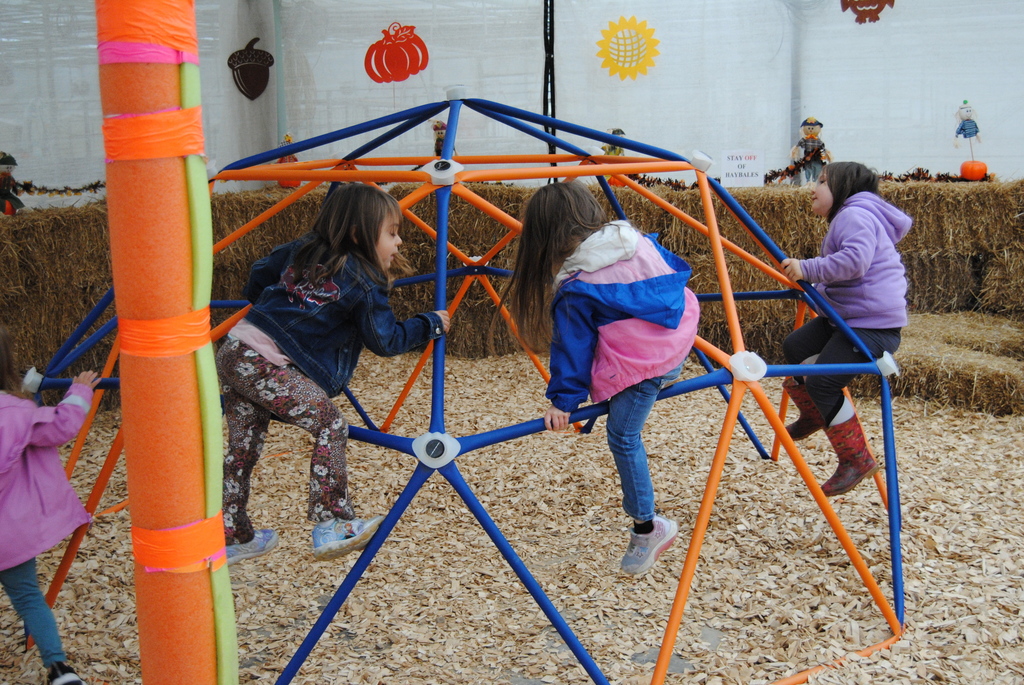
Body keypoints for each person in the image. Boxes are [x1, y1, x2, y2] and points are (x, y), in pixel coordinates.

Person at [218, 183, 450, 565]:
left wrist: (278, 306)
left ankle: (232, 533)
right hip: (263, 364)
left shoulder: (304, 251)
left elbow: (259, 274)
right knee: (331, 425)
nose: (400, 242)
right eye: (391, 233)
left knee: (243, 449)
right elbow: (385, 340)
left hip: (233, 350)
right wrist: (430, 325)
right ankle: (332, 523)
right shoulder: (364, 282)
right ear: (360, 234)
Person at [503, 181, 699, 575]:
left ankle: (649, 526)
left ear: (546, 236)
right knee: (627, 346)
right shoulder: (636, 239)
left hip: (646, 365)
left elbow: (573, 349)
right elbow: (673, 278)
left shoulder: (579, 285)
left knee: (624, 436)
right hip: (680, 340)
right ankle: (663, 373)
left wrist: (564, 402)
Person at [780, 161, 911, 497]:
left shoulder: (853, 216)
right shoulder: (851, 217)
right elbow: (848, 284)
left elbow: (855, 264)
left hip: (873, 326)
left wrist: (806, 269)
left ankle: (856, 459)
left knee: (823, 382)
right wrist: (816, 293)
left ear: (843, 190)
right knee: (795, 347)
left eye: (822, 181)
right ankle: (813, 414)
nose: (813, 188)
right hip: (850, 318)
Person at [0, 323, 97, 685]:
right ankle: (59, 669)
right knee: (27, 597)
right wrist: (79, 392)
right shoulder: (14, 412)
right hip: (8, 534)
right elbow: (60, 427)